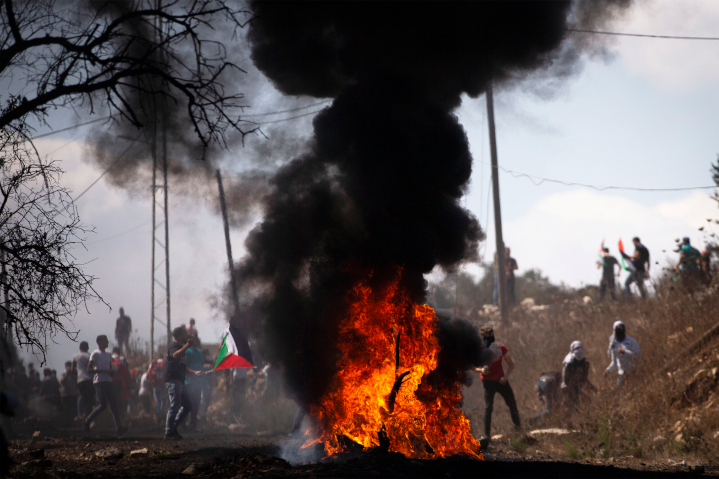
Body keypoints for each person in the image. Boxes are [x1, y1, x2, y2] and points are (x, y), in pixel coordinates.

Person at [474, 325, 520, 441]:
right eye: (486, 337)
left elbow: (511, 364)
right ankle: (487, 436)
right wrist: (481, 370)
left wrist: (505, 377)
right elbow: (473, 367)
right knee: (488, 408)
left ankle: (519, 431)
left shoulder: (500, 348)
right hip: (487, 382)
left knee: (512, 404)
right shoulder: (479, 350)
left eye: (490, 336)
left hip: (501, 381)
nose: (489, 339)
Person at [84, 335, 126, 436]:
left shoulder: (108, 355)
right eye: (105, 341)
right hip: (99, 381)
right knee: (102, 405)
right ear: (99, 342)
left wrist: (111, 372)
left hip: (109, 381)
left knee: (113, 404)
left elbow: (110, 368)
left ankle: (119, 428)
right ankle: (87, 421)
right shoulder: (95, 354)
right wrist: (103, 371)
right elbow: (89, 369)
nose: (107, 343)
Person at [165, 327, 201, 439]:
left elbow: (183, 367)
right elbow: (175, 355)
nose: (186, 335)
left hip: (180, 381)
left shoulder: (182, 348)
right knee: (174, 406)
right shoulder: (173, 347)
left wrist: (194, 372)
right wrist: (187, 346)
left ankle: (173, 427)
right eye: (184, 333)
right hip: (173, 381)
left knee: (188, 405)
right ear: (180, 335)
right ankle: (169, 431)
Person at [604, 321, 641, 389]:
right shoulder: (614, 345)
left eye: (622, 327)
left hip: (633, 372)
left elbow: (638, 355)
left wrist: (625, 352)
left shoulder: (631, 341)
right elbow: (614, 362)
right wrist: (608, 370)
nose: (620, 329)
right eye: (618, 327)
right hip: (622, 374)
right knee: (619, 392)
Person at [561, 341, 597, 409]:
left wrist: (592, 388)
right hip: (568, 388)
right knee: (573, 407)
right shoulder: (569, 361)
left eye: (580, 348)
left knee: (587, 402)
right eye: (577, 348)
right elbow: (565, 377)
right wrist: (566, 387)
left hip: (577, 387)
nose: (579, 350)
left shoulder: (585, 362)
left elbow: (584, 378)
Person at [184, 337, 204, 431]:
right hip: (190, 381)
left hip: (199, 382)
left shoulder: (200, 352)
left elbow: (201, 366)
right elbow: (185, 367)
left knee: (196, 404)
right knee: (190, 404)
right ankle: (185, 424)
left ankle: (193, 425)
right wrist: (192, 374)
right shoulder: (188, 352)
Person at [73, 341, 95, 420]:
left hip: (81, 381)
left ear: (80, 348)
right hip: (90, 380)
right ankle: (89, 418)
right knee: (90, 401)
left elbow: (73, 370)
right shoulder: (90, 356)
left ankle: (81, 416)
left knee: (82, 398)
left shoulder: (75, 356)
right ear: (87, 347)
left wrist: (76, 378)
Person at [111, 347, 131, 423]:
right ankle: (121, 420)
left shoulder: (109, 359)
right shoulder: (122, 359)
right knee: (121, 402)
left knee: (112, 402)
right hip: (121, 384)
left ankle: (112, 420)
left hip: (110, 383)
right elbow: (126, 372)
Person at [148, 358, 166, 424]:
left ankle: (158, 417)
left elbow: (149, 377)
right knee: (163, 401)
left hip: (155, 386)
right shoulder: (163, 367)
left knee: (157, 402)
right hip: (162, 386)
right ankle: (162, 414)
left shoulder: (153, 368)